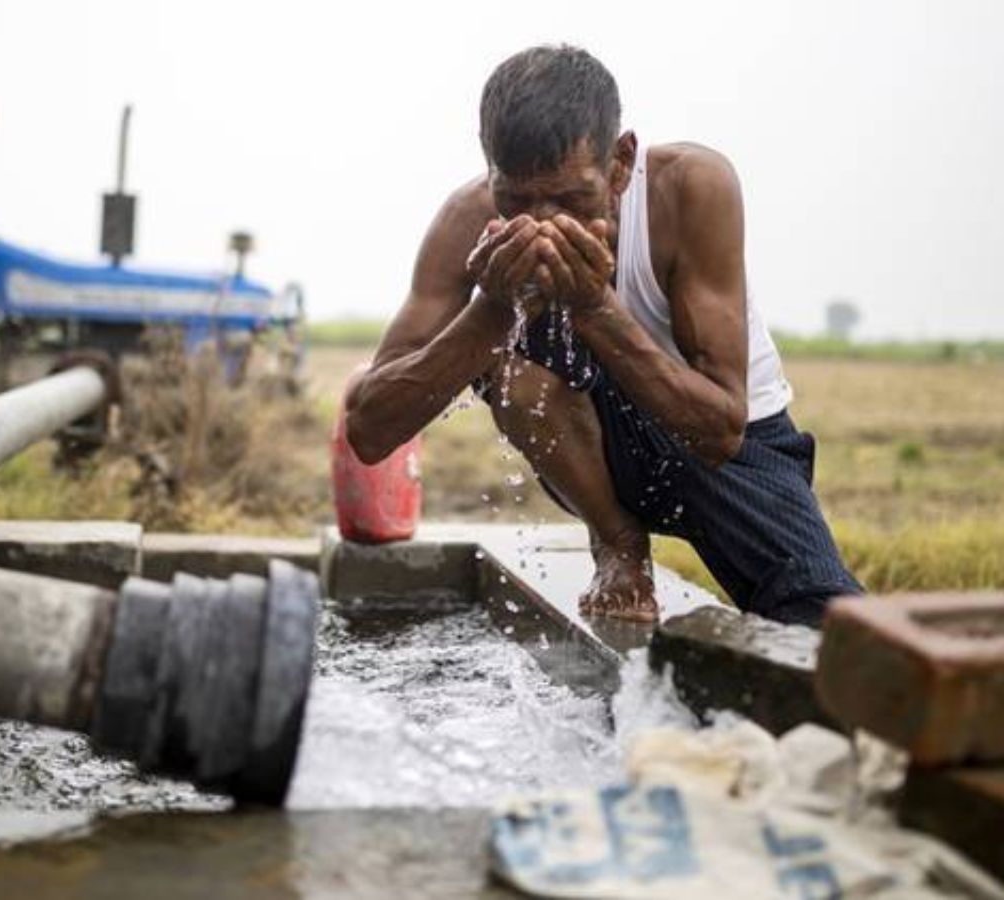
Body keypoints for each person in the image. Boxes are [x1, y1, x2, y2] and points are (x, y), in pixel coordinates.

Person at [344, 45, 862, 627]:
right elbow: (369, 428)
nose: (542, 223)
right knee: (515, 367)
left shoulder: (690, 189)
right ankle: (617, 542)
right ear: (491, 171)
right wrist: (492, 310)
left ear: (620, 162)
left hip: (726, 447)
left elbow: (720, 430)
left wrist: (594, 305)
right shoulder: (468, 220)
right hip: (591, 450)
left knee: (824, 623)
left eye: (571, 199)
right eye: (515, 199)